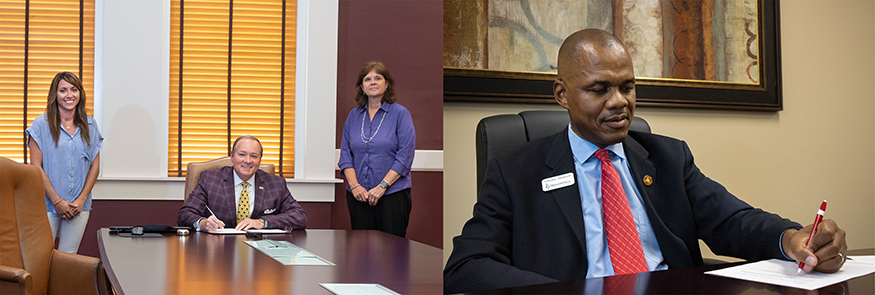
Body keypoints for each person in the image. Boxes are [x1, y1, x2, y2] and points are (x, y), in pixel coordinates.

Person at [443, 29, 848, 293]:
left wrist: (792, 239)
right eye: (599, 89)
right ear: (562, 95)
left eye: (627, 86)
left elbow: (731, 221)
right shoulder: (517, 171)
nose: (619, 102)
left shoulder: (668, 157)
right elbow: (468, 264)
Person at [27, 71, 103, 254]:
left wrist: (81, 200)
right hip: (46, 205)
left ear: (80, 93)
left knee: (68, 258)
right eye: (63, 90)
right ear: (55, 94)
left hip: (79, 207)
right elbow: (36, 168)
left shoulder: (90, 125)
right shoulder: (40, 125)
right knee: (41, 257)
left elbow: (95, 166)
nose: (69, 95)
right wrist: (57, 201)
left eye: (74, 89)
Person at [338, 61, 415, 238]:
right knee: (361, 252)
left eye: (378, 78)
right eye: (367, 79)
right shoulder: (353, 116)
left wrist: (381, 187)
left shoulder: (401, 114)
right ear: (362, 87)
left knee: (391, 254)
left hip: (392, 196)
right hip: (358, 196)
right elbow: (345, 156)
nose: (373, 82)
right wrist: (355, 187)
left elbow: (405, 156)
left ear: (386, 84)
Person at [177, 135, 307, 231]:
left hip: (261, 254)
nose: (248, 161)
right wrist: (202, 223)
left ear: (260, 160)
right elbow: (185, 214)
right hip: (217, 251)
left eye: (254, 156)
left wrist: (263, 222)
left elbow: (299, 217)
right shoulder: (210, 179)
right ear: (232, 157)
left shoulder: (276, 184)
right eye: (242, 154)